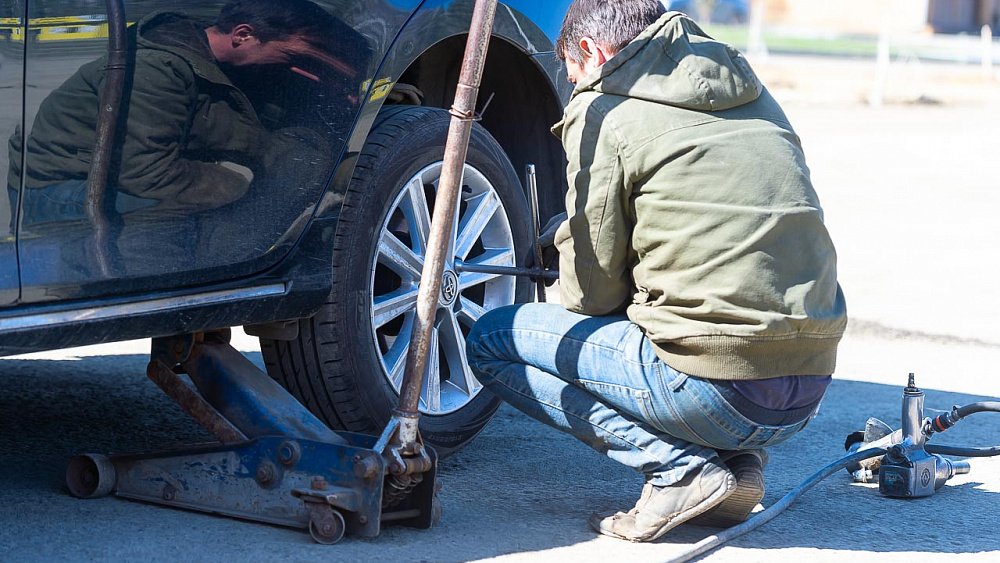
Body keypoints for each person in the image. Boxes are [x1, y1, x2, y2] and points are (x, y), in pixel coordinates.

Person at [466, 0, 847, 543]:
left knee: (491, 339)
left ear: (593, 52)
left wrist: (568, 247)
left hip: (714, 391)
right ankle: (736, 468)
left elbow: (589, 296)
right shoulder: (751, 92)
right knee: (693, 301)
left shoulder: (606, 111)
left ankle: (679, 469)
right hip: (807, 387)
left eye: (573, 77)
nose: (576, 89)